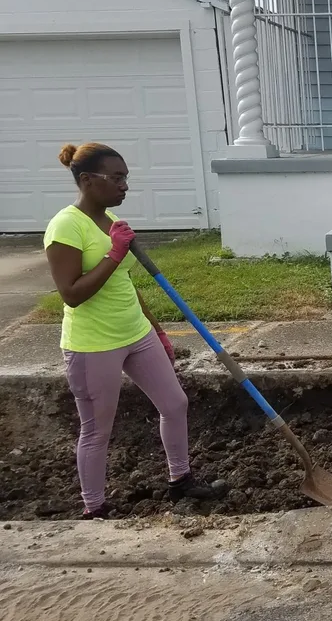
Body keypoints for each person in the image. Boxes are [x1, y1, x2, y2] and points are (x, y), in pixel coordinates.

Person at [44, 142, 225, 519]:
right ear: (87, 180)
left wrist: (157, 331)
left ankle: (181, 481)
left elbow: (125, 283)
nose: (125, 185)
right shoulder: (66, 225)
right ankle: (94, 509)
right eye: (117, 178)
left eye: (126, 177)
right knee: (97, 430)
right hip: (93, 345)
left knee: (175, 404)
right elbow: (72, 294)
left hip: (136, 334)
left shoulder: (111, 224)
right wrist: (114, 252)